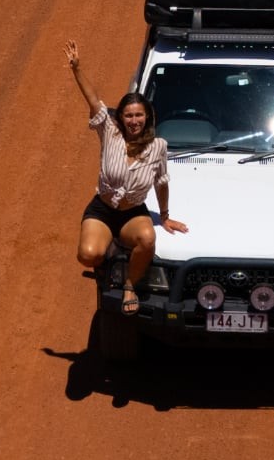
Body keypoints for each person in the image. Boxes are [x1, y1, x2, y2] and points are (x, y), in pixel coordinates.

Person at [68, 40, 187, 314]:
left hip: (132, 212)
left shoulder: (159, 147)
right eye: (129, 115)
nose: (134, 120)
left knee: (147, 238)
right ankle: (110, 250)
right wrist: (77, 69)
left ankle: (130, 285)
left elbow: (161, 182)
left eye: (139, 115)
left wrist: (165, 216)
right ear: (120, 117)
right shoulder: (109, 131)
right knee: (88, 255)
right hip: (103, 209)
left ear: (148, 117)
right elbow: (93, 99)